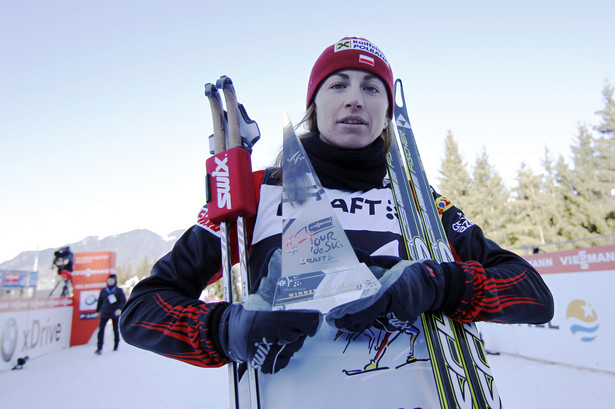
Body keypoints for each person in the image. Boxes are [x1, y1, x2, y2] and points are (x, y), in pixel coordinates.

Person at [120, 37, 553, 380]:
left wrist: (438, 283)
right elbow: (143, 309)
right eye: (338, 84)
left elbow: (531, 292)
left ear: (387, 112)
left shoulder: (418, 201)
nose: (354, 99)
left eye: (371, 87)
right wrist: (226, 329)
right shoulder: (259, 190)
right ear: (314, 104)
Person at [96, 274, 126, 354]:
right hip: (105, 312)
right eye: (109, 280)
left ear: (115, 281)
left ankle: (116, 345)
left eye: (111, 280)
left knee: (115, 329)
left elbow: (123, 301)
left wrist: (119, 309)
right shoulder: (103, 291)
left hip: (114, 313)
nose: (110, 281)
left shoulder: (118, 290)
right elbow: (100, 301)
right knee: (101, 330)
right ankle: (99, 347)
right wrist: (97, 310)